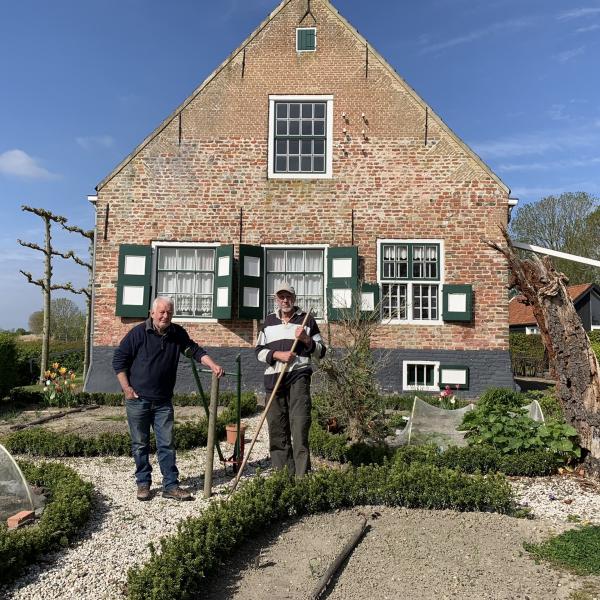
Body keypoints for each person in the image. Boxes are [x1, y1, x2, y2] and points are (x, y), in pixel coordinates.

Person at [113, 296, 224, 501]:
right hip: (138, 400)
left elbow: (195, 350)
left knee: (167, 444)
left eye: (169, 313)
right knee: (140, 444)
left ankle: (170, 486)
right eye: (162, 312)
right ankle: (143, 483)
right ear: (152, 313)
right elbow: (119, 360)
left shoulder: (176, 333)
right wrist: (127, 388)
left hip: (163, 400)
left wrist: (212, 364)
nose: (166, 316)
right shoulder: (138, 333)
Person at [255, 282, 326, 476]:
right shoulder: (268, 322)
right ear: (276, 299)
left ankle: (302, 478)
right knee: (277, 430)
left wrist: (306, 339)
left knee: (300, 426)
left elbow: (321, 352)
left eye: (288, 297)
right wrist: (277, 354)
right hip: (274, 380)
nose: (285, 300)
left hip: (298, 378)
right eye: (281, 297)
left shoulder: (307, 320)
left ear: (294, 299)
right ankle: (283, 477)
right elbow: (259, 352)